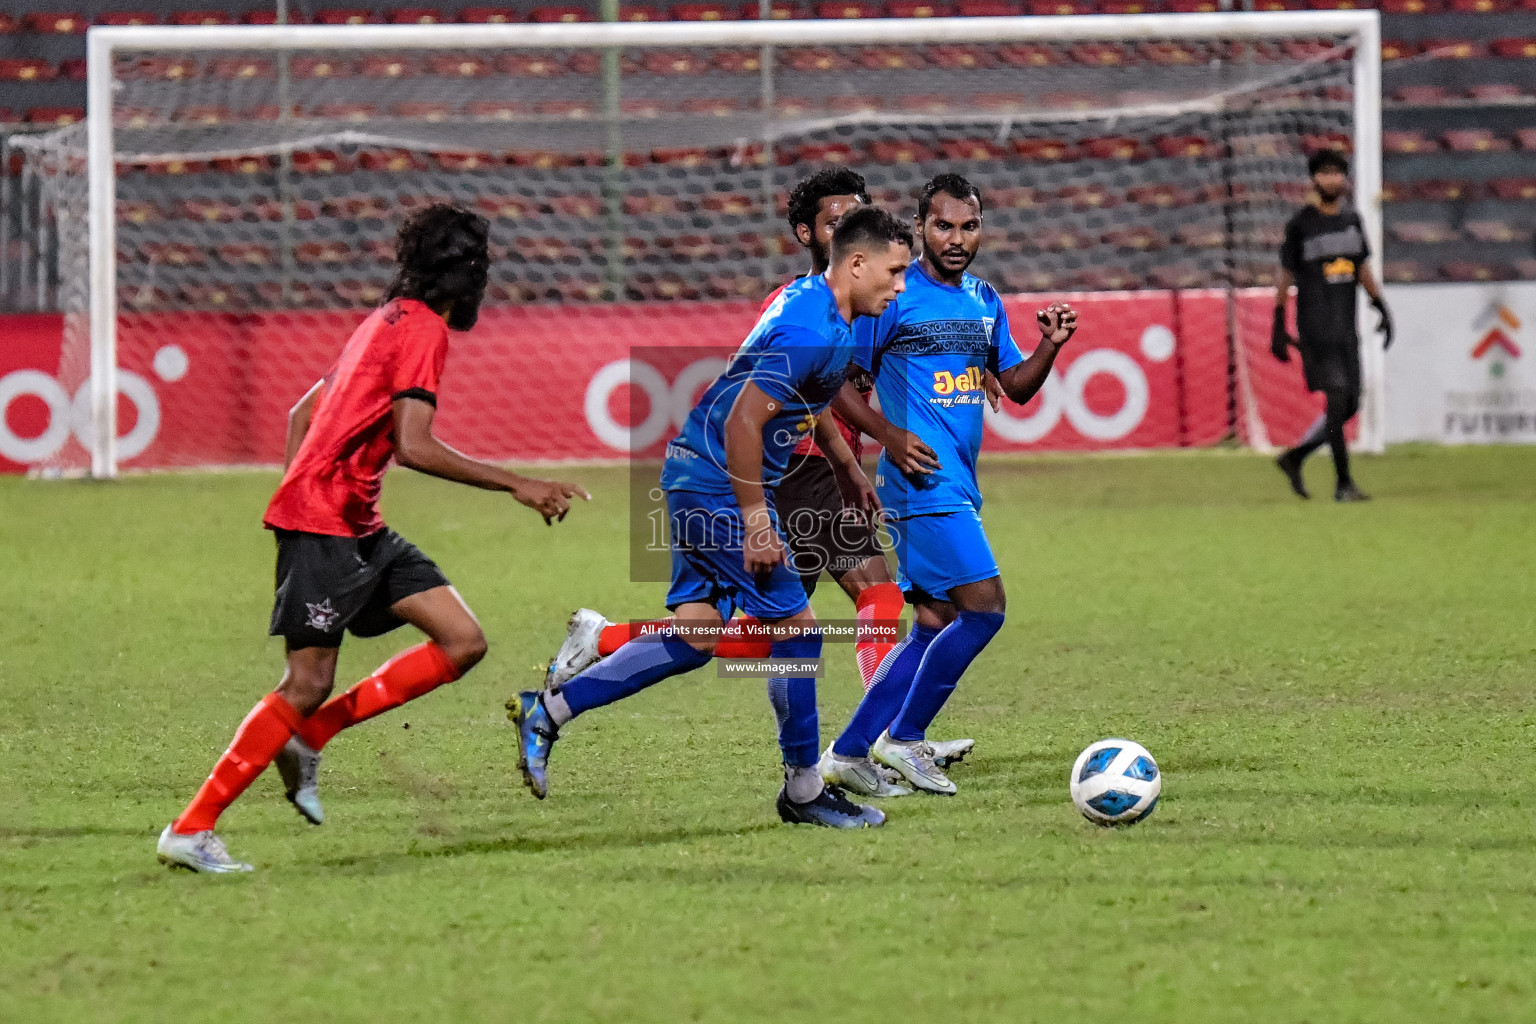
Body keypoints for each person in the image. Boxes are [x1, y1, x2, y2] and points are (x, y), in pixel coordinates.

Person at [156, 204, 588, 872]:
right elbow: (413, 446)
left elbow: (306, 411)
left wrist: (304, 485)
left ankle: (316, 736)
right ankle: (192, 827)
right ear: (464, 276)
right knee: (305, 682)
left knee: (461, 640)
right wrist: (517, 484)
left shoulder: (382, 318)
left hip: (353, 521)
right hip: (324, 523)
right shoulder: (423, 330)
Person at [536, 169, 973, 798]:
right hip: (761, 473)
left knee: (713, 633)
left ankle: (586, 662)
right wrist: (763, 511)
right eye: (833, 221)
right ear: (826, 243)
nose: (900, 284)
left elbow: (810, 392)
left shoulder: (835, 311)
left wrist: (851, 465)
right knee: (829, 617)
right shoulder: (805, 315)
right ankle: (855, 757)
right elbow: (757, 406)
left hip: (754, 470)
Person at [825, 174, 1078, 795]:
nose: (957, 238)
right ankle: (905, 740)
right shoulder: (896, 295)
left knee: (935, 622)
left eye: (969, 226)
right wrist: (885, 435)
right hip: (919, 482)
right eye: (944, 226)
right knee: (985, 609)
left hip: (958, 481)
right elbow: (833, 379)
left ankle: (850, 752)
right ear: (920, 228)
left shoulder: (983, 301)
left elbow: (1014, 386)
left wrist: (1048, 346)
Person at [1271, 149, 1393, 503]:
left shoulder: (1352, 222)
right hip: (1315, 328)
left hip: (1345, 327)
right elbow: (1286, 275)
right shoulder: (1300, 226)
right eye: (1324, 173)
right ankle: (1343, 484)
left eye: (1337, 173)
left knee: (1351, 404)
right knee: (1338, 399)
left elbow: (1360, 269)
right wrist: (1278, 323)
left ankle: (1295, 458)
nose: (1332, 179)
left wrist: (1380, 305)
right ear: (1314, 179)